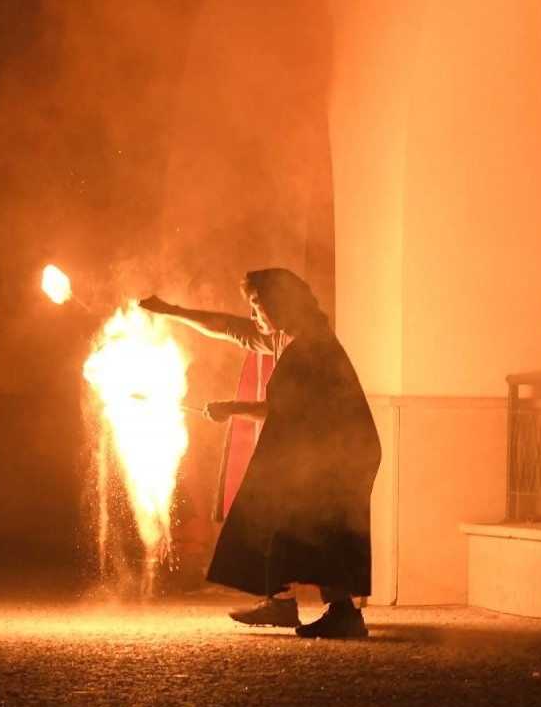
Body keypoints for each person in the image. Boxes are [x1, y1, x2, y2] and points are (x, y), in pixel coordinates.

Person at [141, 269, 381, 639]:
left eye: (257, 306)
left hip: (343, 454)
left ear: (280, 303)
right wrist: (171, 311)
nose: (254, 316)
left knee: (317, 529)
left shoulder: (311, 346)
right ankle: (284, 602)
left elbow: (279, 407)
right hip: (325, 452)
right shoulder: (286, 337)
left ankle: (340, 614)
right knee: (287, 521)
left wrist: (229, 409)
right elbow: (229, 327)